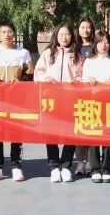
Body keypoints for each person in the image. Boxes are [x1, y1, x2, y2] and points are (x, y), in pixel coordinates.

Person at [0, 21, 33, 182]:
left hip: (16, 99)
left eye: (10, 31)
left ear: (14, 34)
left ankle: (16, 166)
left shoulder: (23, 53)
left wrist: (21, 80)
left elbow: (30, 74)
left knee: (16, 133)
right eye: (3, 32)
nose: (7, 35)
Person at [35, 23, 83, 183]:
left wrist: (77, 82)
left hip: (71, 100)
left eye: (67, 34)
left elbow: (81, 74)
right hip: (51, 100)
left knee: (70, 133)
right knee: (51, 134)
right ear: (56, 36)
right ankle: (54, 167)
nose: (64, 37)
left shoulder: (77, 55)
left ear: (72, 36)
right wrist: (45, 78)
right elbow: (38, 72)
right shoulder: (48, 53)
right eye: (61, 34)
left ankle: (66, 166)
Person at [81, 31, 110, 183]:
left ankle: (107, 168)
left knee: (109, 136)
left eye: (106, 42)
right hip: (93, 102)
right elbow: (83, 79)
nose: (103, 45)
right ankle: (95, 168)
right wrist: (89, 79)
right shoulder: (89, 61)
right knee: (93, 135)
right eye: (100, 42)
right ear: (95, 44)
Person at [74, 17, 97, 175]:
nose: (86, 30)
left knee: (91, 129)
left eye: (88, 27)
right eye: (82, 27)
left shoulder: (96, 46)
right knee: (78, 130)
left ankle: (90, 161)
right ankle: (80, 162)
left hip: (93, 93)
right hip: (77, 93)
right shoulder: (73, 46)